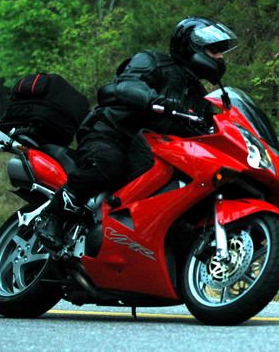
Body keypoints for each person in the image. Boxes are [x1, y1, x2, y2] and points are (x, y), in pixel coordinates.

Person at [35, 16, 238, 251]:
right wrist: (154, 100)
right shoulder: (152, 62)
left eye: (221, 52)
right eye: (214, 50)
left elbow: (211, 128)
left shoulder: (200, 97)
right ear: (192, 46)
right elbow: (129, 84)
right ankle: (53, 215)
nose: (220, 57)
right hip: (113, 135)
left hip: (151, 153)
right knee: (108, 165)